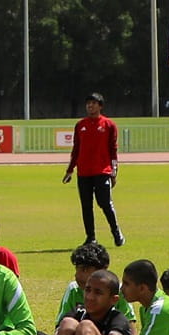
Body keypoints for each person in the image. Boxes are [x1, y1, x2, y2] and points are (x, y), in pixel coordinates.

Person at [63, 91, 122, 245]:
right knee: (86, 206)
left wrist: (114, 171)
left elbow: (113, 149)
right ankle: (91, 237)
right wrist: (70, 170)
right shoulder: (80, 125)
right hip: (84, 172)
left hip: (102, 171)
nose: (90, 106)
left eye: (93, 103)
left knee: (104, 203)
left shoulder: (109, 125)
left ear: (100, 106)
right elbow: (76, 149)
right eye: (88, 103)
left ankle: (116, 232)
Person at [55, 241, 138, 332]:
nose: (78, 275)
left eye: (84, 270)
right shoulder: (73, 289)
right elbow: (61, 326)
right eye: (77, 269)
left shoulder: (118, 290)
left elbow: (130, 328)